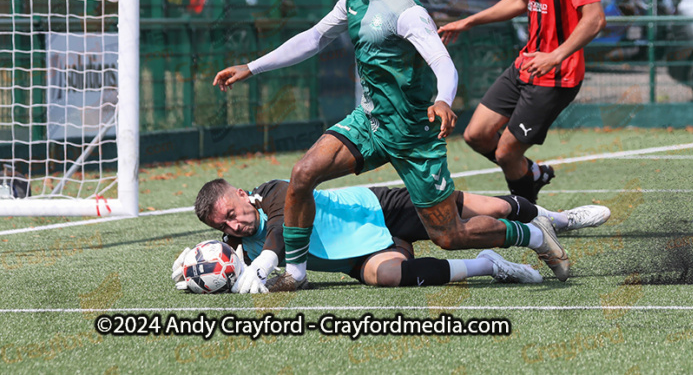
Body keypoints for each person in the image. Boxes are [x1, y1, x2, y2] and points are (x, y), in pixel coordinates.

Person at [213, 0, 572, 289]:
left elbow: (443, 64)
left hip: (413, 135)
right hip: (369, 123)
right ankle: (296, 273)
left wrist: (444, 100)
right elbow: (315, 37)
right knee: (303, 174)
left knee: (449, 236)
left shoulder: (408, 12)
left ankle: (534, 236)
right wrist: (252, 66)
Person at [438, 0, 606, 202]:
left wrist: (555, 56)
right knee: (476, 135)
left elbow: (595, 18)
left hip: (556, 77)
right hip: (526, 65)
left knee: (505, 154)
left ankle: (530, 219)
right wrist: (468, 21)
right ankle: (533, 173)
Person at [172, 178, 611, 291]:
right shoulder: (234, 244)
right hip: (356, 258)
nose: (233, 225)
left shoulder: (271, 192)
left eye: (231, 213)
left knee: (489, 208)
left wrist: (269, 257)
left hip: (378, 209)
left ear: (239, 194)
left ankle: (558, 219)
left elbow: (283, 222)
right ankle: (491, 265)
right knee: (389, 275)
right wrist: (202, 270)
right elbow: (223, 267)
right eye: (222, 226)